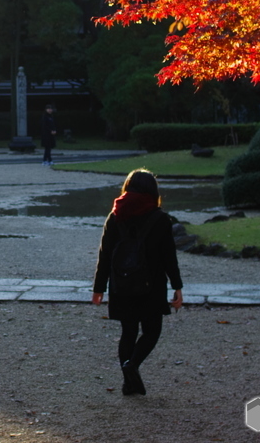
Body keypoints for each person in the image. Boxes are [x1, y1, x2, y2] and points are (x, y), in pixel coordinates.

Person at [92, 168, 183, 396]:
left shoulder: (115, 216)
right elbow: (168, 257)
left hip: (121, 283)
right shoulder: (160, 219)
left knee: (128, 331)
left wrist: (99, 288)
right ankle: (132, 366)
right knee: (152, 331)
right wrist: (177, 286)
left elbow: (104, 254)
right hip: (150, 284)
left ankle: (128, 382)